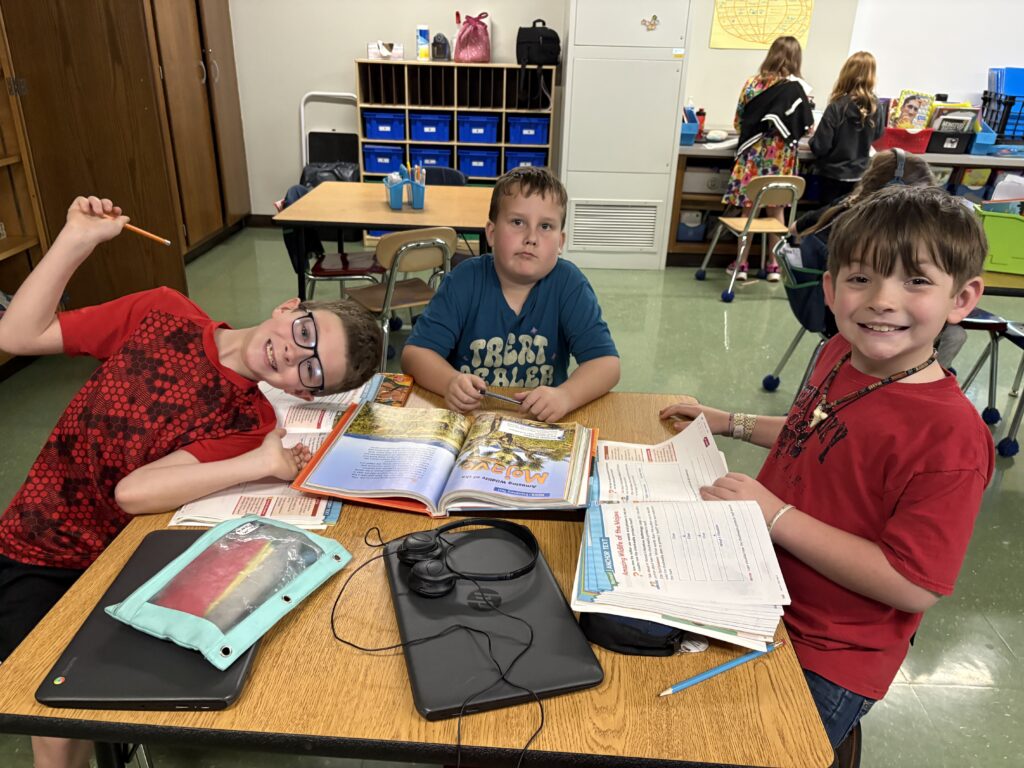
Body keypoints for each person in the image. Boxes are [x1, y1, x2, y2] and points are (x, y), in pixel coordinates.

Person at [0, 196, 382, 768]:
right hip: (37, 546)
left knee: (80, 703)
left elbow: (134, 493)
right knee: (51, 724)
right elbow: (17, 334)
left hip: (117, 567)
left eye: (311, 369)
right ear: (289, 306)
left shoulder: (248, 420)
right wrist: (76, 239)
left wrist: (261, 460)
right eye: (305, 331)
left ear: (304, 393)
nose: (291, 354)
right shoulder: (162, 312)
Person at [659, 185, 993, 752]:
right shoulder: (841, 351)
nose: (882, 301)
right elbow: (812, 426)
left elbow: (913, 584)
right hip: (757, 587)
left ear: (961, 299)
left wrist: (776, 516)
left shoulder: (951, 438)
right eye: (862, 278)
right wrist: (728, 421)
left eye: (915, 281)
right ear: (833, 290)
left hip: (829, 654)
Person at [401, 167, 619, 423]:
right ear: (491, 233)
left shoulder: (569, 284)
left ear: (560, 242)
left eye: (545, 226)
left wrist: (566, 396)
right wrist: (449, 382)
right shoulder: (464, 281)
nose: (531, 238)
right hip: (468, 418)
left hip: (538, 423)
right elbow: (415, 354)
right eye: (518, 222)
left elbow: (607, 364)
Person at [792, 148, 968, 368]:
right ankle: (924, 372)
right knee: (955, 335)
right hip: (845, 323)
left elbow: (794, 228)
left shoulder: (844, 204)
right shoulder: (868, 233)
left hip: (824, 314)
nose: (883, 301)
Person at [722, 35, 814, 282]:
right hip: (782, 159)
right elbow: (806, 127)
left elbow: (738, 122)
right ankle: (774, 266)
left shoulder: (752, 84)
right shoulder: (798, 89)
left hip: (752, 157)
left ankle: (741, 264)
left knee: (748, 211)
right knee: (777, 211)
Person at [810, 51, 886, 204]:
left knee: (828, 214)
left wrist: (813, 138)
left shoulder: (836, 107)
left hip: (833, 175)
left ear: (847, 74)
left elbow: (821, 147)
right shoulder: (876, 106)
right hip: (859, 174)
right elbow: (878, 134)